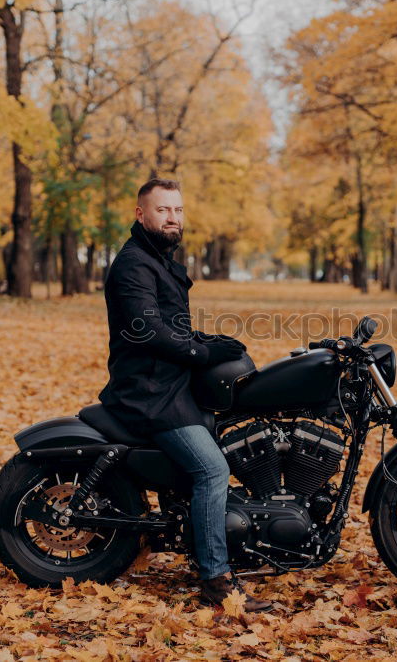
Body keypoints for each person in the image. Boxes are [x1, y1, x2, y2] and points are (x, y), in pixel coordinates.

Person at [98, 177, 273, 612]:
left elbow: (171, 325)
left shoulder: (158, 259)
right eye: (163, 210)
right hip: (149, 391)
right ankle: (215, 578)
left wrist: (212, 341)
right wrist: (203, 350)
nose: (173, 217)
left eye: (178, 210)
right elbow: (149, 332)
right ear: (142, 214)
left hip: (170, 383)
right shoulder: (134, 264)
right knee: (213, 471)